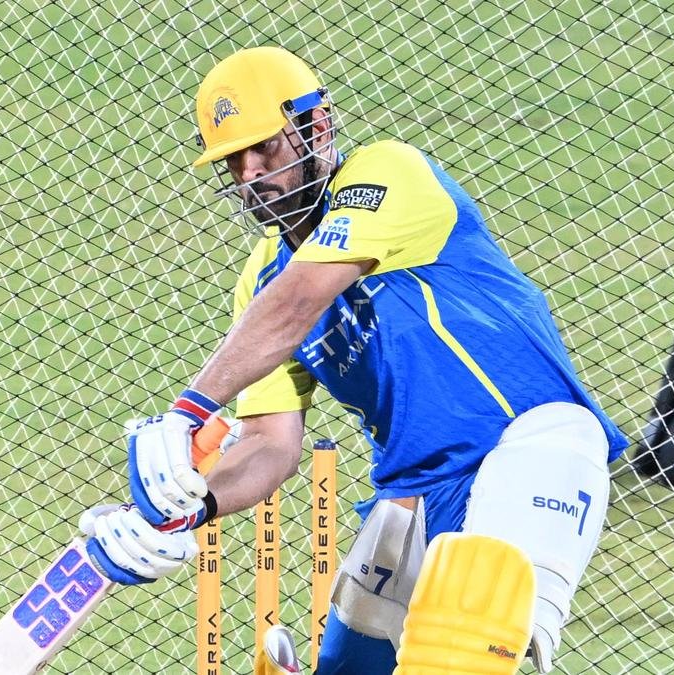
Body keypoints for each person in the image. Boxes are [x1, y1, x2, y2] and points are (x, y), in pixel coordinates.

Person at [78, 46, 628, 674]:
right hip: (414, 494)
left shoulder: (387, 173)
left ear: (316, 127)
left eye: (266, 149)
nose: (250, 174)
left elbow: (301, 300)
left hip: (526, 448)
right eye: (233, 160)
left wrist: (186, 413)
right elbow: (269, 445)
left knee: (461, 652)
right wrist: (186, 511)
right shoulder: (261, 281)